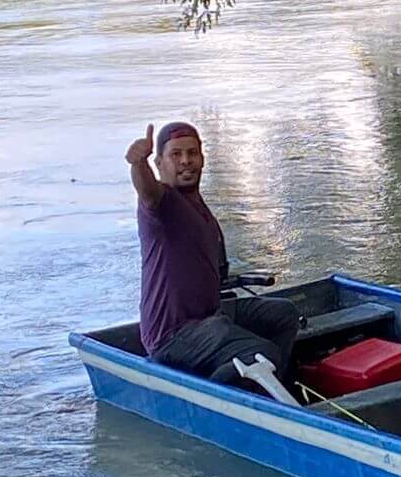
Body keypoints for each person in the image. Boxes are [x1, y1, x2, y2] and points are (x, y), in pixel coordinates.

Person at [126, 121, 301, 383]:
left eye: (192, 153)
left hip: (209, 317)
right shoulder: (163, 204)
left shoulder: (197, 204)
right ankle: (217, 400)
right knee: (261, 353)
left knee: (283, 315)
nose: (186, 161)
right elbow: (147, 191)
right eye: (176, 154)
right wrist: (138, 164)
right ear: (160, 163)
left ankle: (273, 387)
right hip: (173, 335)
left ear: (202, 159)